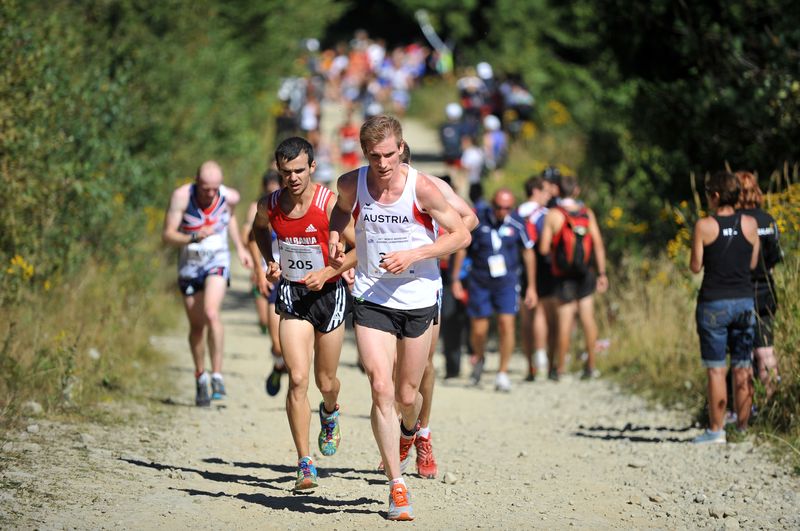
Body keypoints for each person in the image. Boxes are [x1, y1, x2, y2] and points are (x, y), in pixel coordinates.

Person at [328, 115, 471, 521]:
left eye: (390, 154)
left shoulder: (421, 187)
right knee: (380, 387)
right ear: (364, 153)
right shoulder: (351, 183)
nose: (383, 163)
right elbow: (340, 213)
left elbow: (461, 234)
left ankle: (411, 430)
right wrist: (336, 237)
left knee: (408, 397)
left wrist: (414, 254)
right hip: (372, 295)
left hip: (418, 296)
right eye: (375, 156)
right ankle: (397, 485)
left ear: (402, 148)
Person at [252, 137, 354, 490]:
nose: (292, 178)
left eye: (298, 170)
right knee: (297, 378)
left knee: (325, 382)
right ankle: (304, 462)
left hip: (329, 294)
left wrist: (328, 272)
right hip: (293, 295)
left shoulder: (328, 204)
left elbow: (362, 247)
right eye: (285, 172)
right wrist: (270, 260)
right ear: (278, 171)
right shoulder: (270, 205)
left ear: (312, 167)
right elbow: (258, 229)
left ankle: (330, 411)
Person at [399, 144, 478, 480]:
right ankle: (401, 435)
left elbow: (470, 219)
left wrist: (436, 247)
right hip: (381, 288)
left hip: (423, 284)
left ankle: (422, 434)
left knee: (425, 365)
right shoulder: (367, 187)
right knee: (390, 369)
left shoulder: (431, 186)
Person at [162, 161, 253, 406]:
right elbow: (168, 234)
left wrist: (240, 248)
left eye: (215, 188)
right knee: (197, 326)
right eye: (206, 189)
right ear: (196, 182)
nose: (211, 193)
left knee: (212, 313)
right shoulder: (182, 197)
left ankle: (217, 374)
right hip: (190, 266)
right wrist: (193, 237)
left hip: (217, 261)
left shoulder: (229, 196)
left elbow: (230, 218)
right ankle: (200, 375)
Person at [689, 171, 760, 443]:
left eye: (709, 194)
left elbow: (695, 266)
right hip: (744, 301)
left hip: (713, 302)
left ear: (716, 196)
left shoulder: (704, 226)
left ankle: (716, 430)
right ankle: (742, 428)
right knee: (743, 365)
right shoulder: (750, 223)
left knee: (716, 369)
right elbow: (752, 263)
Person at [452, 189, 536, 391]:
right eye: (499, 207)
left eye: (507, 208)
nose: (502, 211)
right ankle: (479, 358)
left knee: (506, 324)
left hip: (507, 282)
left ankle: (502, 372)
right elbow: (462, 248)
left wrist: (532, 287)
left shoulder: (517, 223)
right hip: (480, 281)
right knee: (479, 330)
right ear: (492, 203)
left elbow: (528, 253)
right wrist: (455, 279)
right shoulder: (478, 220)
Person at [538, 175, 607, 380]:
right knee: (588, 320)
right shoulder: (587, 213)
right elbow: (598, 245)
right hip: (585, 274)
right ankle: (591, 366)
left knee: (565, 322)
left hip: (564, 276)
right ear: (576, 191)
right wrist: (602, 273)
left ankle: (559, 368)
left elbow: (543, 248)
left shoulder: (553, 214)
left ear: (558, 190)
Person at [735, 171, 783, 399]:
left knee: (742, 354)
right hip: (765, 291)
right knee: (766, 351)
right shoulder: (768, 220)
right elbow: (774, 259)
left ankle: (743, 405)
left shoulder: (733, 222)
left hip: (739, 292)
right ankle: (770, 401)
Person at [243, 169, 286, 396]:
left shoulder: (294, 207)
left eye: (276, 191)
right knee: (277, 343)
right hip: (272, 276)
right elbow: (250, 238)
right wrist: (259, 271)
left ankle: (297, 386)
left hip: (295, 277)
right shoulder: (263, 208)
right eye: (269, 192)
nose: (273, 196)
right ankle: (279, 365)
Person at [517, 175, 555, 380]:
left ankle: (529, 365)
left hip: (518, 269)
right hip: (541, 268)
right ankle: (543, 356)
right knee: (540, 311)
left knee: (526, 317)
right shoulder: (544, 214)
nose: (549, 196)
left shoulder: (516, 213)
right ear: (536, 191)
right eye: (545, 192)